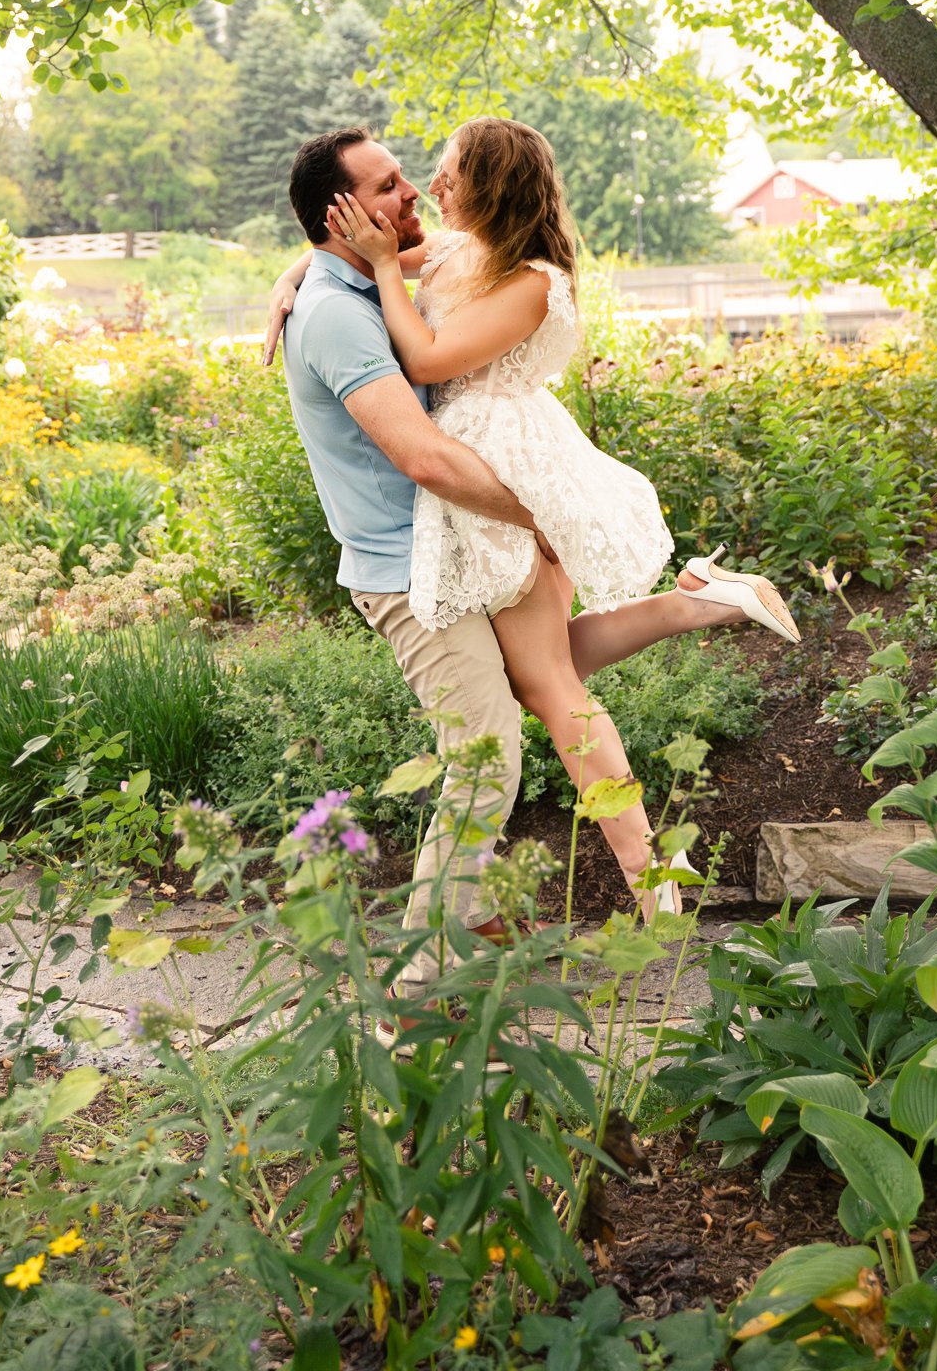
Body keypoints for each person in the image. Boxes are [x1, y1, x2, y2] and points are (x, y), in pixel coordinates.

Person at [270, 128, 795, 967]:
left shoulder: (516, 275)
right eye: (399, 183)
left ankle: (648, 877)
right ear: (341, 212)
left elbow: (428, 378)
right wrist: (293, 274)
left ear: (487, 191)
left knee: (546, 691)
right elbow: (345, 278)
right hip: (482, 490)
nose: (422, 191)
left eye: (436, 179)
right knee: (542, 674)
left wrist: (537, 514)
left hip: (500, 480)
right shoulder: (446, 259)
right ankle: (695, 602)